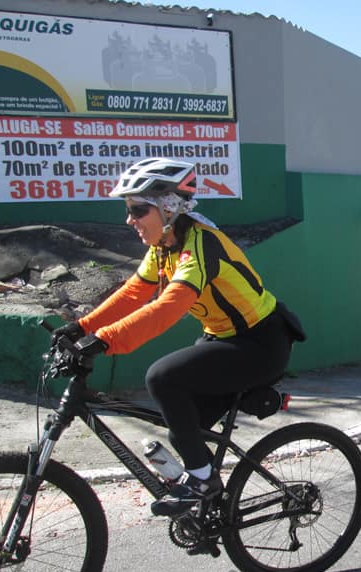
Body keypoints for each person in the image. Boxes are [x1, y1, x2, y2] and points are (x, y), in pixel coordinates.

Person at [52, 158, 305, 517]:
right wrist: (81, 327)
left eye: (138, 210)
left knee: (162, 377)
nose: (130, 220)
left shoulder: (201, 247)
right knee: (183, 432)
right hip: (223, 339)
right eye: (129, 210)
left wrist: (104, 340)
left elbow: (168, 307)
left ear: (168, 208)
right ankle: (209, 509)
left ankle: (203, 482)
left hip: (261, 343)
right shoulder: (164, 246)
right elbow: (134, 292)